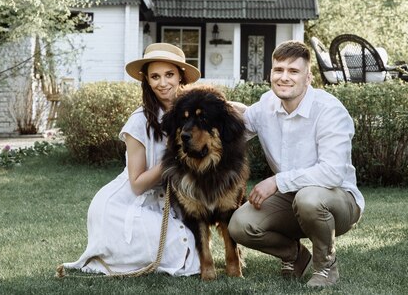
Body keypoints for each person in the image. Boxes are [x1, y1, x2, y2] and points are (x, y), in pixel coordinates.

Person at [228, 40, 364, 288]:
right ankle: (295, 256)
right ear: (270, 74)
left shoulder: (329, 111)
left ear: (308, 77)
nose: (284, 77)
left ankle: (325, 268)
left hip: (338, 201)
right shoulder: (265, 105)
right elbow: (235, 128)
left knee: (309, 199)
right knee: (240, 225)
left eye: (293, 71)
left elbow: (332, 173)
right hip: (290, 197)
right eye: (278, 70)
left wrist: (276, 181)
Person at [61, 43, 202, 276]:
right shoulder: (139, 121)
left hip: (169, 201)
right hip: (127, 204)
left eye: (169, 75)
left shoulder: (191, 113)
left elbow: (232, 114)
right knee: (184, 254)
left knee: (194, 253)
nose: (163, 83)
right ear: (147, 80)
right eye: (155, 77)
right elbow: (137, 184)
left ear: (180, 77)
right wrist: (173, 156)